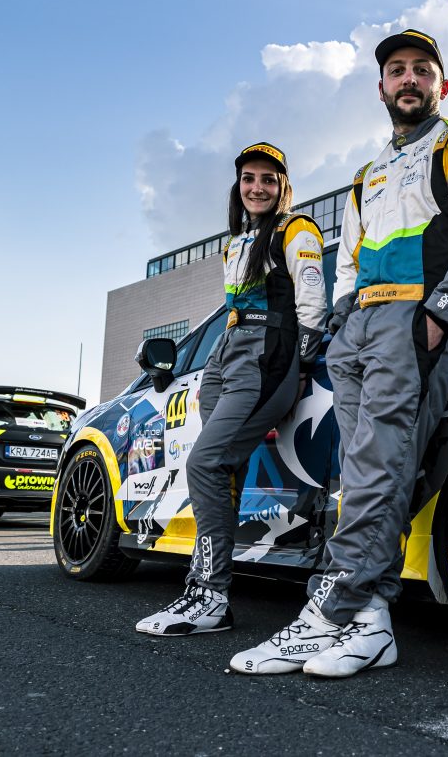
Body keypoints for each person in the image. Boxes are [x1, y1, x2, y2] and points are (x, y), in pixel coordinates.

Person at [230, 29, 448, 678]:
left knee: (379, 467)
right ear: (381, 88)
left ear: (442, 85)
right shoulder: (368, 174)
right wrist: (345, 319)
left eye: (421, 69)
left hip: (415, 321)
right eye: (397, 70)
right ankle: (372, 623)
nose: (409, 79)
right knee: (360, 477)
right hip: (360, 330)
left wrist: (440, 315)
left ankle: (329, 610)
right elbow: (350, 261)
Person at [136, 142, 327, 635]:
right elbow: (234, 313)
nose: (257, 187)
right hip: (227, 357)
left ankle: (209, 593)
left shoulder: (296, 229)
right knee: (222, 476)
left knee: (204, 464)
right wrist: (216, 365)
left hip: (267, 356)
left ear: (283, 186)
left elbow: (312, 305)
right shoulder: (236, 242)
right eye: (248, 178)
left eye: (268, 179)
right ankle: (207, 593)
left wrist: (300, 367)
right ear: (238, 184)